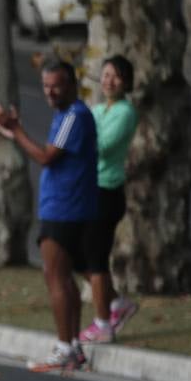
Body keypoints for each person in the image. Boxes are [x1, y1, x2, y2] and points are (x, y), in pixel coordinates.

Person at [0, 58, 99, 373]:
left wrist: (16, 129)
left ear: (72, 85)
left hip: (64, 209)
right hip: (67, 208)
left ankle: (65, 347)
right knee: (64, 279)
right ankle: (73, 346)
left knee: (56, 278)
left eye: (57, 85)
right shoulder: (66, 115)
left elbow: (46, 157)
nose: (51, 91)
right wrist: (14, 132)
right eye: (46, 85)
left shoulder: (74, 115)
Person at [78, 55, 140, 344]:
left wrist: (80, 136)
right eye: (104, 75)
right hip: (88, 190)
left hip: (107, 192)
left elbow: (101, 146)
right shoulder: (97, 110)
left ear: (125, 82)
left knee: (96, 259)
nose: (108, 81)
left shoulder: (125, 113)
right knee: (78, 257)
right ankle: (117, 304)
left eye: (115, 76)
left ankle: (103, 324)